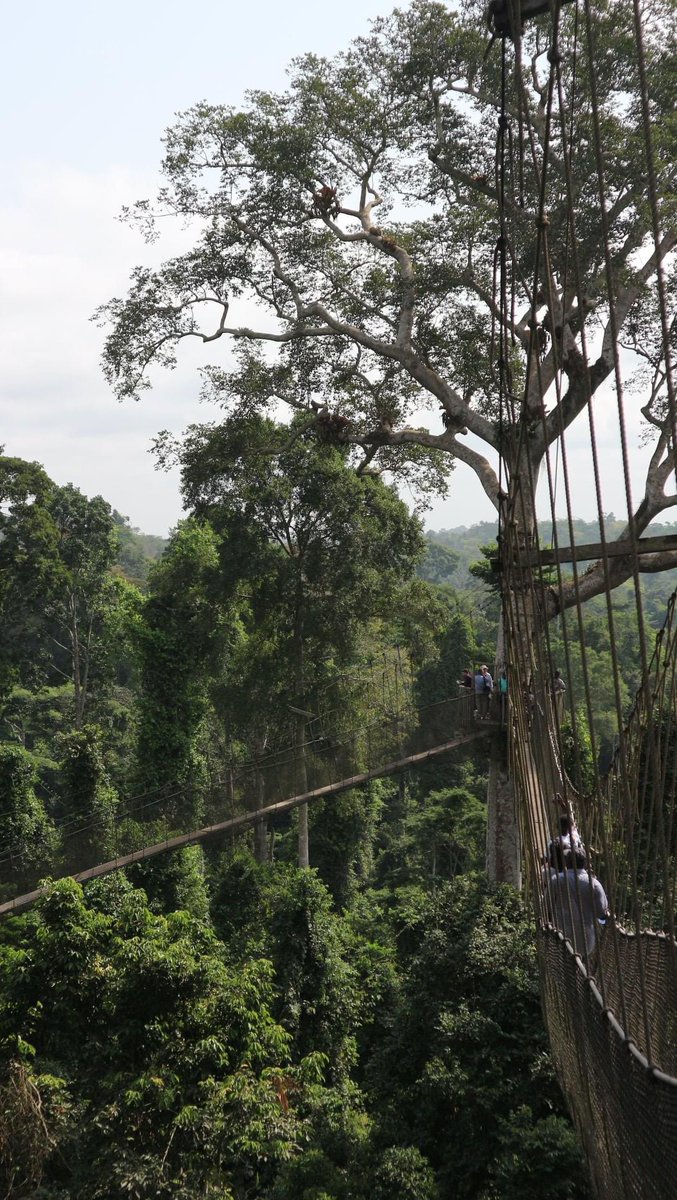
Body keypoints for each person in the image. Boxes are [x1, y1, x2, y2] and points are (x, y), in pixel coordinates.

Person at [542, 840, 608, 959]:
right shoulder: (595, 884)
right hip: (586, 940)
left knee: (564, 967)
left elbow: (546, 906)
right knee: (581, 967)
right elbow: (602, 913)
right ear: (585, 864)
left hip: (560, 936)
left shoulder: (556, 880)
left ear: (567, 862)